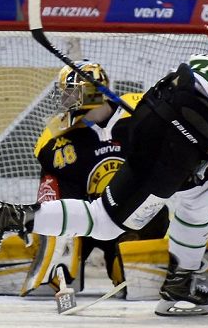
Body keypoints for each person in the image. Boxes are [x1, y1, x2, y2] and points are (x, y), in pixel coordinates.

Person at [0, 25, 208, 316]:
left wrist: (194, 162)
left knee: (178, 197)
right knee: (180, 203)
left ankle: (11, 215)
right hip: (185, 137)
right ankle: (181, 286)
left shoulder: (205, 60)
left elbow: (176, 94)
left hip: (146, 118)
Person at [20, 61, 170, 296]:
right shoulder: (55, 138)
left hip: (131, 218)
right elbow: (54, 198)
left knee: (135, 286)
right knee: (47, 285)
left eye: (72, 92)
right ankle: (63, 268)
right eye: (65, 93)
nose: (66, 100)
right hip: (85, 221)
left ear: (93, 90)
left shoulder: (140, 111)